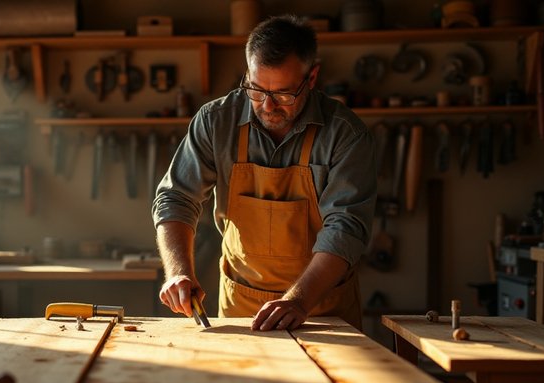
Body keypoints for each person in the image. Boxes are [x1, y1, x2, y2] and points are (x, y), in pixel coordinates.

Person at [152, 14, 376, 331]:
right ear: (247, 73)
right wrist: (178, 271)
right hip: (241, 302)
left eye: (284, 94)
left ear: (311, 78)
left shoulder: (345, 134)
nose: (268, 106)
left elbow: (346, 227)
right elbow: (176, 198)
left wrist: (299, 300)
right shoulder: (216, 121)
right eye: (256, 90)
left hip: (319, 307)